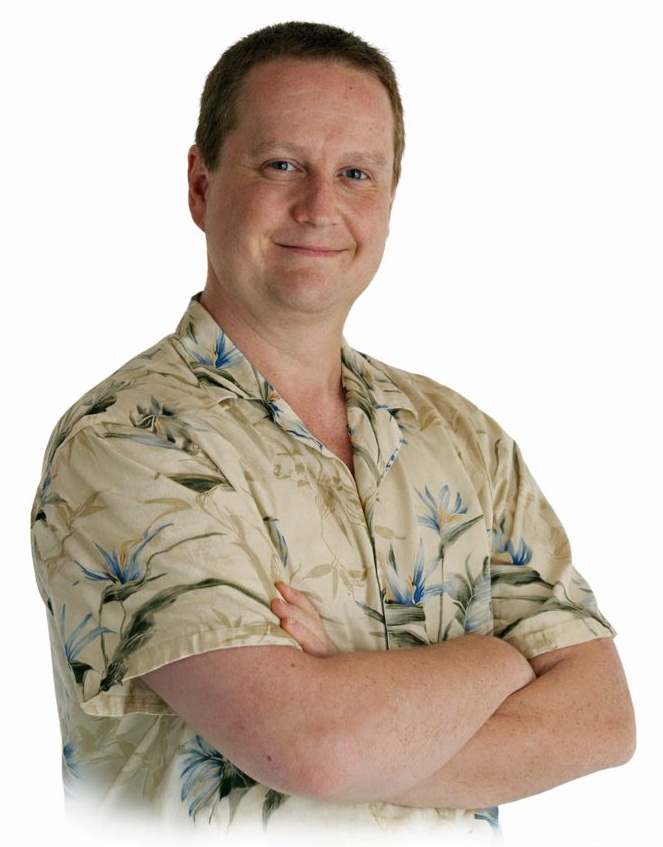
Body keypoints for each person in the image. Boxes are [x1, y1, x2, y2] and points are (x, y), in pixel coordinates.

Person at [31, 20, 635, 845]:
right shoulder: (128, 442)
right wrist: (498, 659)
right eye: (281, 165)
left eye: (355, 173)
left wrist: (354, 711)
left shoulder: (463, 439)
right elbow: (315, 749)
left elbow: (601, 722)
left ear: (388, 198)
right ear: (201, 185)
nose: (320, 207)